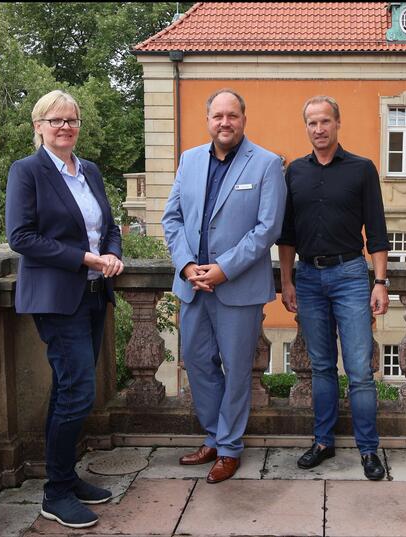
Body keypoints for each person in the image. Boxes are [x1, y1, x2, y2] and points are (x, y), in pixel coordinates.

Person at [5, 90, 124, 528]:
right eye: (55, 120)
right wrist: (86, 259)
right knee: (78, 392)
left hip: (94, 295)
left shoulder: (88, 171)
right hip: (57, 299)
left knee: (69, 389)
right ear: (38, 126)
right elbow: (21, 237)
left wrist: (112, 254)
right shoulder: (27, 171)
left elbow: (109, 226)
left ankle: (66, 477)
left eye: (72, 120)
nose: (65, 127)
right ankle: (54, 494)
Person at [162, 88, 286, 484]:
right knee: (197, 363)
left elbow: (267, 228)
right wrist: (185, 266)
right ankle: (215, 436)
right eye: (218, 116)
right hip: (192, 286)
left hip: (237, 287)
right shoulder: (189, 159)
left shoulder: (266, 163)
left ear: (243, 119)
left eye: (232, 115)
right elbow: (172, 218)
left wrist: (223, 269)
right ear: (208, 119)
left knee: (235, 370)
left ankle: (229, 447)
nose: (225, 122)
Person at [277, 96, 390, 480]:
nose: (319, 129)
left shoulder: (361, 169)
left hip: (350, 276)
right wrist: (287, 279)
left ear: (337, 123)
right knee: (322, 367)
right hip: (307, 278)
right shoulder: (294, 173)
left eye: (325, 121)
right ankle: (323, 441)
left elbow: (376, 230)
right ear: (306, 127)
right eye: (312, 123)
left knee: (359, 369)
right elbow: (287, 233)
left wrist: (380, 283)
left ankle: (369, 450)